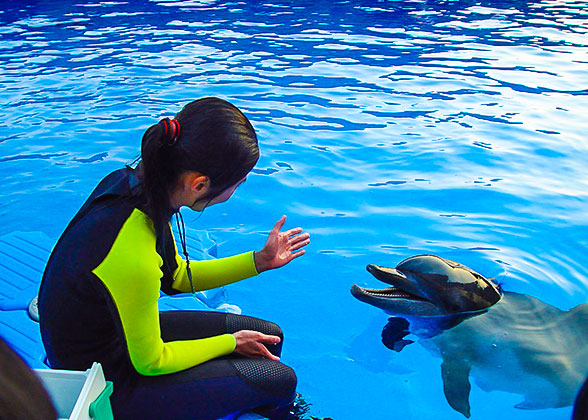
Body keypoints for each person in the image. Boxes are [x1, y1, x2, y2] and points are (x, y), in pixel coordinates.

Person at [38, 97, 310, 420]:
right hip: (103, 385)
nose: (239, 188)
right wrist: (229, 343)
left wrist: (259, 261)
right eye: (238, 183)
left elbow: (177, 277)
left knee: (270, 338)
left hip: (118, 337)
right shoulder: (132, 250)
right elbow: (151, 362)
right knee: (280, 380)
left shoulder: (142, 185)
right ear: (199, 184)